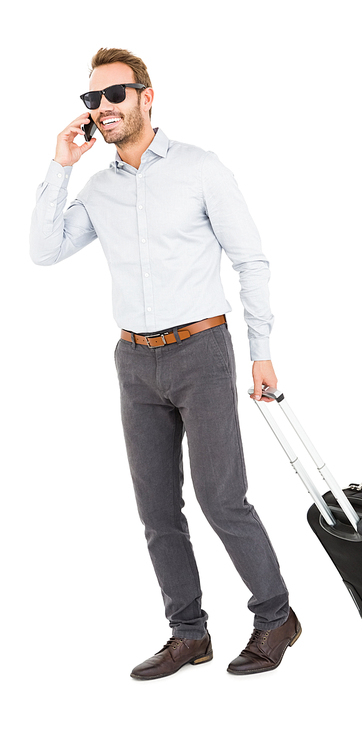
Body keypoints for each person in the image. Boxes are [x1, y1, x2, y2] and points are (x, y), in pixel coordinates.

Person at [30, 47, 301, 679]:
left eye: (114, 95)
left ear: (147, 97)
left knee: (220, 497)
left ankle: (276, 617)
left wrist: (262, 351)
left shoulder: (201, 168)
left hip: (202, 352)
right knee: (156, 510)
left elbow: (250, 260)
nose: (102, 109)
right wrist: (59, 167)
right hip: (135, 361)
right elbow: (43, 251)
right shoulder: (96, 189)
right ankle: (189, 634)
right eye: (91, 99)